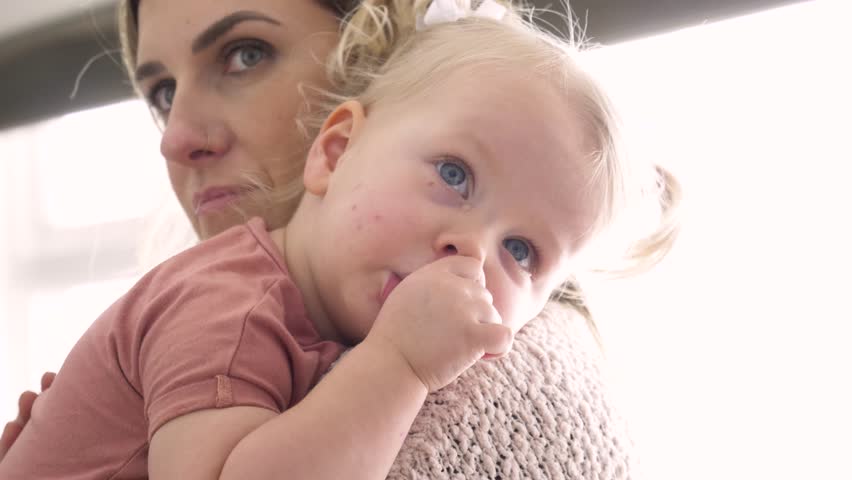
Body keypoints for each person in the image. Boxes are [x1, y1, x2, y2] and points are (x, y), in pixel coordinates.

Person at [1, 0, 678, 477]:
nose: (472, 250)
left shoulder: (522, 373)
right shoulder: (226, 303)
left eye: (522, 252)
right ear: (337, 148)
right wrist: (397, 366)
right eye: (452, 175)